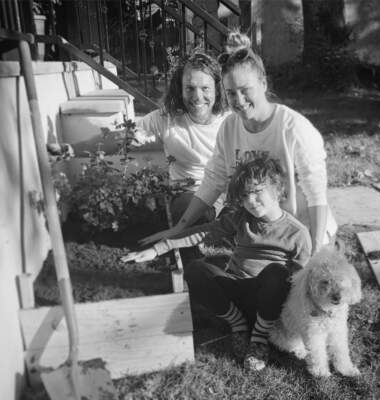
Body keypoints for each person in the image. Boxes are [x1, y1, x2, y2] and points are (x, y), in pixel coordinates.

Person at [140, 30, 337, 255]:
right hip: (264, 234)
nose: (239, 101)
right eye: (231, 93)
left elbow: (316, 194)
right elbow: (213, 179)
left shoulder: (294, 129)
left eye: (245, 91)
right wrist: (178, 229)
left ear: (263, 83)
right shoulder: (230, 127)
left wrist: (314, 249)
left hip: (301, 234)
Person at [122, 153, 312, 371]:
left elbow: (299, 282)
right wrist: (159, 249)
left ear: (277, 189)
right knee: (195, 269)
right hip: (234, 290)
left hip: (267, 302)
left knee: (278, 273)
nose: (250, 201)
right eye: (245, 196)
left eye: (257, 192)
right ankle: (238, 324)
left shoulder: (297, 234)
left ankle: (259, 338)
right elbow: (204, 232)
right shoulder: (242, 218)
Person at [132, 51, 230, 224]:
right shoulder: (166, 118)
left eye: (205, 88)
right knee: (191, 209)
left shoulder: (231, 119)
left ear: (217, 88)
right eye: (190, 88)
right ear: (180, 88)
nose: (197, 97)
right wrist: (73, 147)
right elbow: (125, 137)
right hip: (189, 194)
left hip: (228, 192)